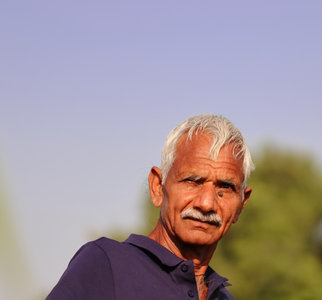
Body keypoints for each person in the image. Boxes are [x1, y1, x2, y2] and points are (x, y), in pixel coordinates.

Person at [47, 113, 254, 300]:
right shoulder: (107, 264)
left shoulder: (223, 297)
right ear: (157, 186)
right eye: (192, 181)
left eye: (225, 187)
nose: (207, 203)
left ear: (241, 205)